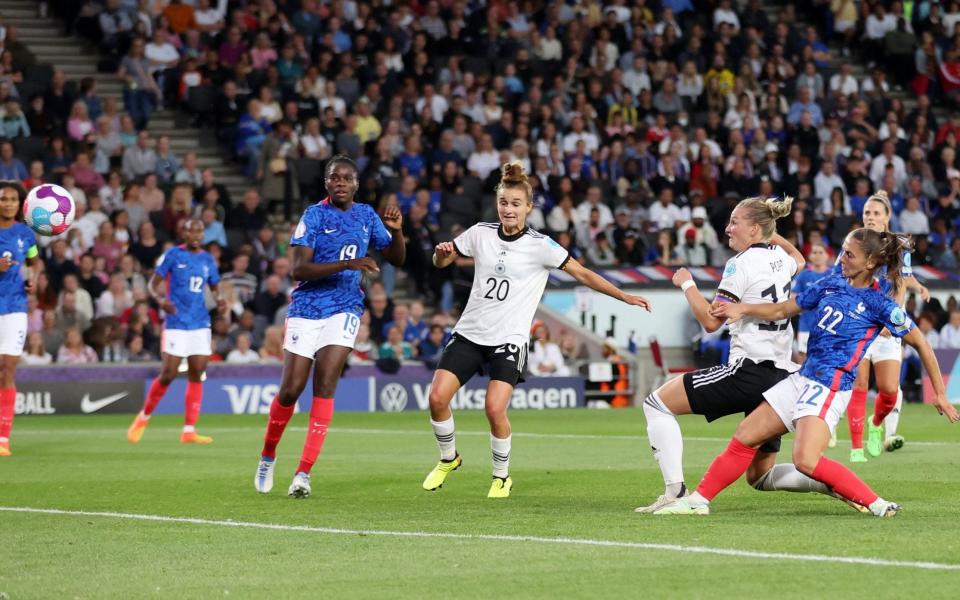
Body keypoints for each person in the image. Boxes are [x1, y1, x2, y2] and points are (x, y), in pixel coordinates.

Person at [658, 229, 958, 516]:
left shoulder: (879, 303)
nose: (842, 258)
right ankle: (697, 501)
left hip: (830, 385)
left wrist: (941, 395)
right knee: (746, 434)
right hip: (803, 377)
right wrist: (744, 308)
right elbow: (782, 310)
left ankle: (878, 504)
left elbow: (920, 343)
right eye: (842, 251)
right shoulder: (831, 282)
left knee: (805, 461)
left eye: (850, 255)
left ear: (870, 262)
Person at [422, 162, 651, 498]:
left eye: (516, 204)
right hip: (471, 331)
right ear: (497, 203)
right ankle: (449, 458)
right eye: (504, 202)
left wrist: (623, 295)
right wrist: (442, 255)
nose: (508, 209)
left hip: (509, 338)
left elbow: (584, 274)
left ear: (528, 207)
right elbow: (441, 262)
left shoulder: (541, 245)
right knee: (437, 398)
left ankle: (501, 476)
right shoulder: (479, 233)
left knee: (494, 408)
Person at [637, 196, 849, 514]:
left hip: (749, 369)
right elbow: (799, 258)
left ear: (753, 229)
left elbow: (710, 322)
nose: (727, 229)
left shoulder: (740, 264)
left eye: (735, 222)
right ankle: (825, 483)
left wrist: (687, 284)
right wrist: (767, 231)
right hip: (782, 376)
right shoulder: (780, 257)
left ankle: (675, 491)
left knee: (656, 404)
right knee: (760, 475)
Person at [254, 155, 405, 498]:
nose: (340, 183)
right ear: (326, 183)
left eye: (346, 178)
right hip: (307, 308)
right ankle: (267, 455)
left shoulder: (367, 215)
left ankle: (303, 473)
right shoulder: (314, 215)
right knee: (291, 389)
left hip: (345, 308)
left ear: (356, 184)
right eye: (334, 178)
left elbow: (397, 258)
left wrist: (397, 233)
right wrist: (349, 263)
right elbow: (298, 270)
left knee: (325, 383)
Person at [846, 191, 930, 462]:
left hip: (887, 325)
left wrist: (890, 317)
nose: (870, 217)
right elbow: (843, 278)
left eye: (876, 213)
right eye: (867, 212)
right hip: (860, 323)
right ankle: (856, 448)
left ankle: (876, 422)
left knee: (890, 391)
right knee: (859, 383)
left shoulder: (898, 245)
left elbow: (901, 283)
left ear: (887, 217)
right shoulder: (854, 242)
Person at [127, 219, 224, 445]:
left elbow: (215, 287)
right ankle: (143, 417)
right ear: (185, 233)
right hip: (176, 322)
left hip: (200, 323)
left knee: (197, 372)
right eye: (191, 231)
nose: (196, 235)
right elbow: (153, 284)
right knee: (169, 373)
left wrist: (220, 301)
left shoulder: (208, 259)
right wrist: (160, 300)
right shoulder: (173, 255)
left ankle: (189, 430)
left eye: (199, 231)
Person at [0, 181, 39, 456]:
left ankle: (3, 438)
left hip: (15, 306)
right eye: (3, 199)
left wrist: (32, 279)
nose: (8, 203)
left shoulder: (26, 233)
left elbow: (34, 261)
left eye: (13, 199)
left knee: (8, 367)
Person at [792, 242, 831, 363]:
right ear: (810, 256)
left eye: (821, 252)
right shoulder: (804, 275)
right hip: (806, 324)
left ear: (827, 255)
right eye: (814, 252)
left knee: (826, 359)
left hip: (828, 326)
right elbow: (792, 296)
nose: (818, 255)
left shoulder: (833, 275)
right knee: (802, 358)